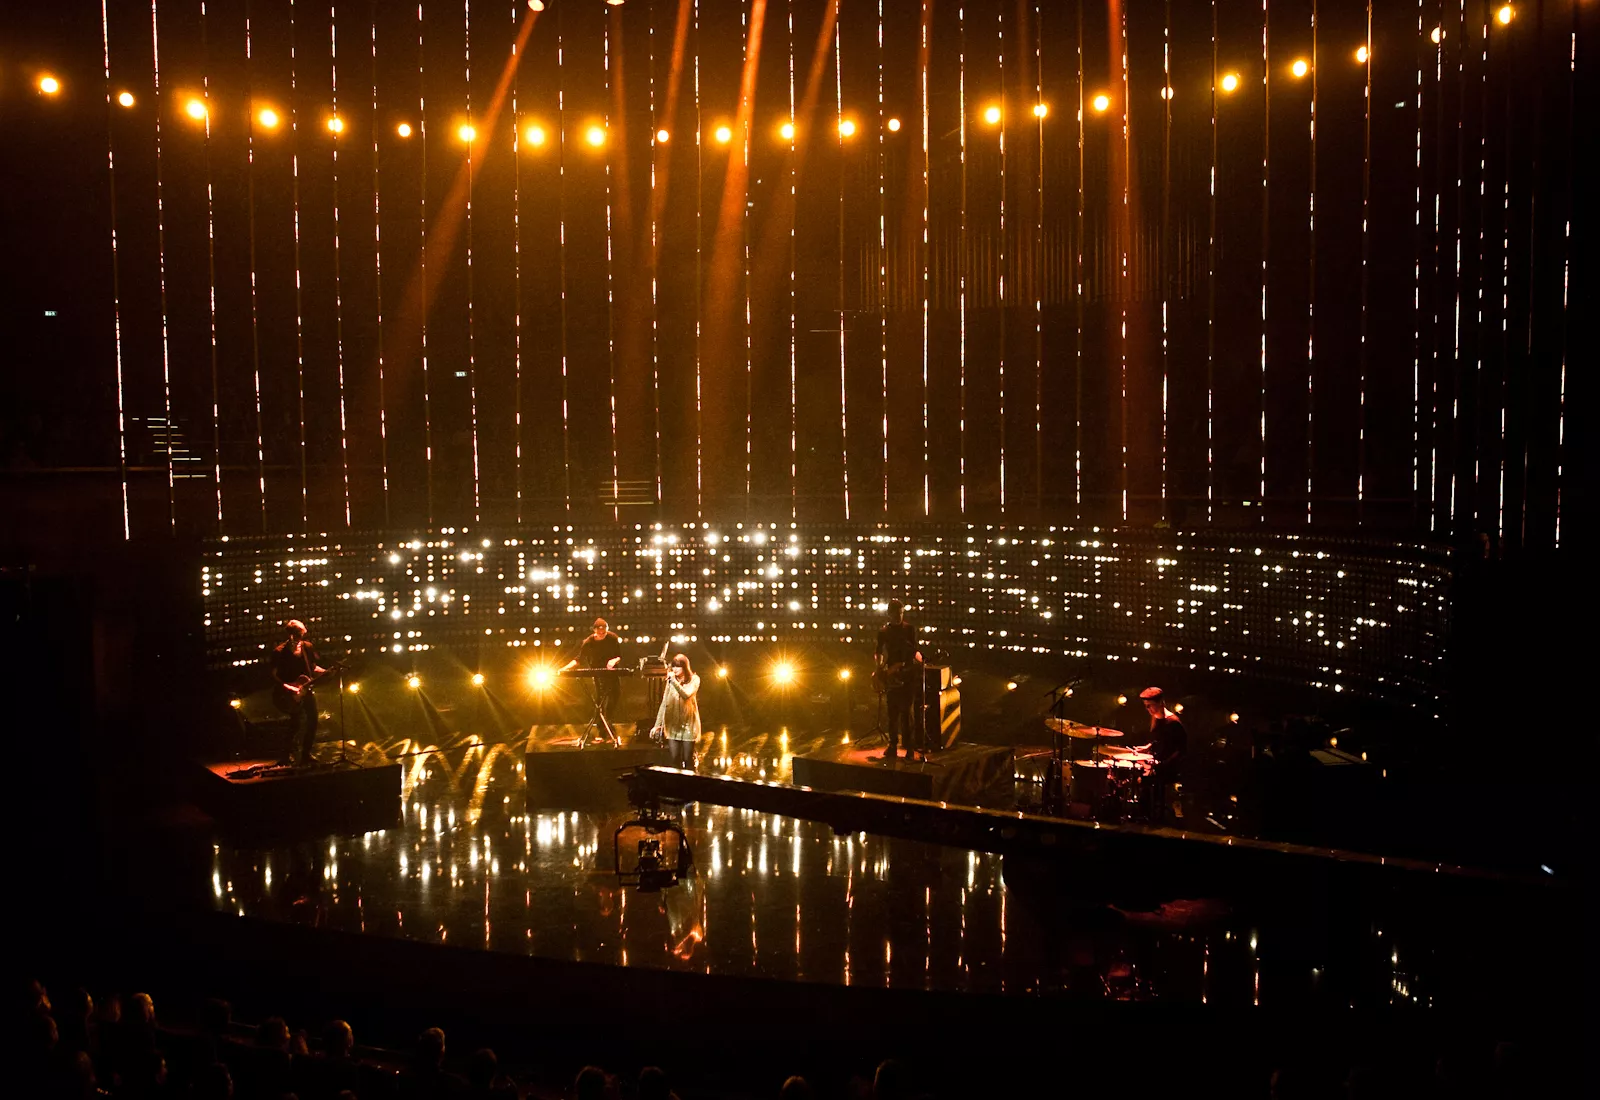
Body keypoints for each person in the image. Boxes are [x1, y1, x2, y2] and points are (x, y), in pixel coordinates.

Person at [271, 619, 329, 766]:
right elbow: (274, 674)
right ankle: (286, 755)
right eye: (297, 634)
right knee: (295, 724)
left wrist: (325, 672)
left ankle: (306, 754)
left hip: (306, 690)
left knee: (313, 720)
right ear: (290, 634)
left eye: (301, 634)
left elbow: (313, 667)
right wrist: (289, 687)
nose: (300, 637)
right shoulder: (279, 651)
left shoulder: (307, 647)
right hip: (289, 693)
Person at [874, 599, 924, 762]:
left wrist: (921, 661)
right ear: (889, 614)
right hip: (892, 675)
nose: (899, 616)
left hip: (907, 674)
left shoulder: (909, 629)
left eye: (901, 613)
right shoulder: (884, 632)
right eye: (896, 613)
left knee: (906, 713)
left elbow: (914, 650)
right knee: (892, 713)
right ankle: (893, 745)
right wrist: (879, 668)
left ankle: (909, 747)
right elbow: (879, 651)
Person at [562, 618, 624, 740]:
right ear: (594, 630)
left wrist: (613, 661)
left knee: (615, 696)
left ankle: (608, 721)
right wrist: (564, 668)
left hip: (612, 672)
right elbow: (578, 659)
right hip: (597, 673)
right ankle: (602, 729)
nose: (602, 634)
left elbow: (618, 656)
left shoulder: (612, 638)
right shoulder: (588, 642)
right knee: (600, 700)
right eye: (599, 631)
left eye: (604, 631)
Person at [1136, 686, 1187, 822]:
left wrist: (1161, 765)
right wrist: (1147, 748)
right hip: (1159, 765)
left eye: (1150, 706)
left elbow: (1181, 749)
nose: (1148, 709)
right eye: (1146, 706)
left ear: (1160, 703)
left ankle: (1149, 816)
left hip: (1170, 769)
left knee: (1143, 780)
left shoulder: (1173, 723)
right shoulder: (1157, 719)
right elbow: (1159, 741)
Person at [652, 654, 701, 769]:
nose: (675, 669)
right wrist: (657, 725)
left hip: (688, 725)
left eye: (678, 666)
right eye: (673, 666)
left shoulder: (694, 679)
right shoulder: (671, 681)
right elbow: (664, 703)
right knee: (674, 760)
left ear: (685, 667)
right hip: (673, 725)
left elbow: (686, 695)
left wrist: (673, 681)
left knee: (688, 760)